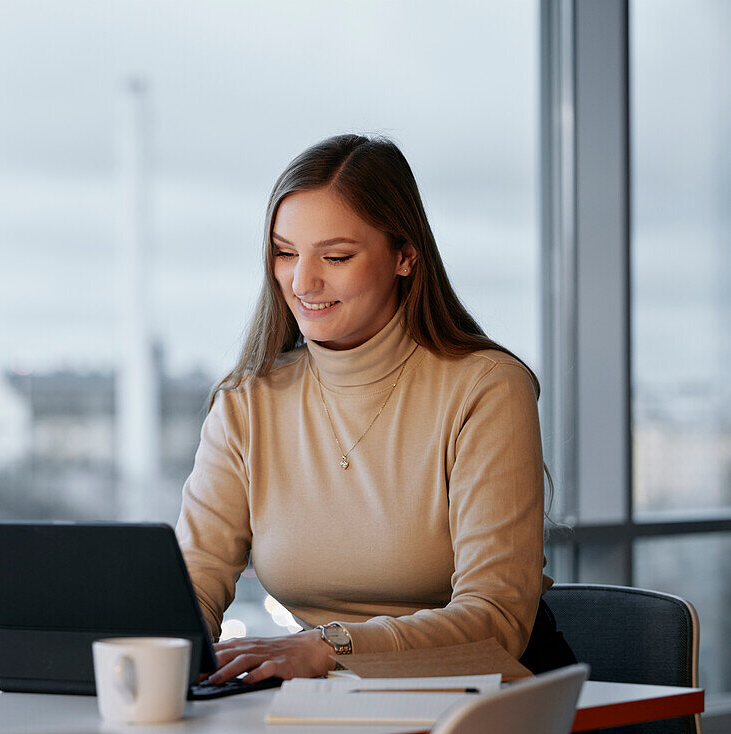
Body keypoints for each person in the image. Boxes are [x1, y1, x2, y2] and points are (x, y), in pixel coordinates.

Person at [175, 134, 575, 686]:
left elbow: (497, 620)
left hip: (490, 694)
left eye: (335, 257)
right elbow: (191, 587)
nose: (301, 281)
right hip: (330, 697)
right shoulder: (247, 403)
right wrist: (159, 653)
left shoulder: (486, 388)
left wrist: (328, 646)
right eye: (285, 252)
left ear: (405, 256)